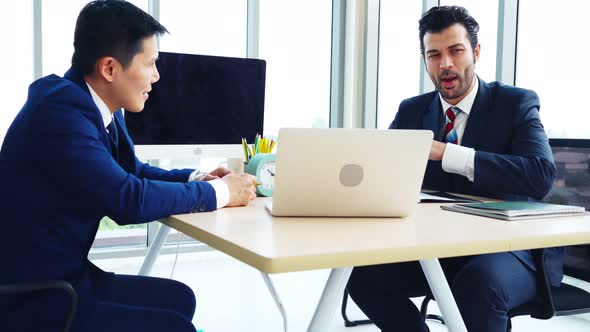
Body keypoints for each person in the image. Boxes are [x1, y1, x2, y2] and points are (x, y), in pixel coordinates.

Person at [0, 1, 256, 331]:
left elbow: (132, 171)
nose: (156, 75)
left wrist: (197, 177)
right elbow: (127, 200)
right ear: (109, 68)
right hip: (35, 298)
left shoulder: (96, 105)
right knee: (177, 327)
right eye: (150, 64)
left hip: (71, 278)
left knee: (180, 299)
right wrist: (219, 192)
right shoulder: (60, 113)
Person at [347, 6, 560, 332]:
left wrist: (449, 153)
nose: (445, 63)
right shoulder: (412, 111)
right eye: (434, 54)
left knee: (478, 283)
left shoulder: (515, 103)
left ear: (475, 51)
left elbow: (539, 175)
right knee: (361, 273)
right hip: (441, 248)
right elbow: (382, 171)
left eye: (456, 51)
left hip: (512, 251)